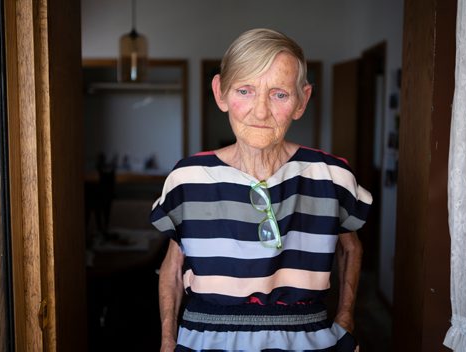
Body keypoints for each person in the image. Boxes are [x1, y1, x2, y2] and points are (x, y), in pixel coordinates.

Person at [150, 28, 372, 352]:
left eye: (279, 94)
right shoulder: (188, 178)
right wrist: (168, 342)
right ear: (220, 93)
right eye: (245, 90)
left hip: (307, 339)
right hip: (205, 339)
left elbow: (352, 248)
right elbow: (172, 268)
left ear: (301, 101)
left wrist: (346, 318)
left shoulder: (332, 176)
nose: (261, 111)